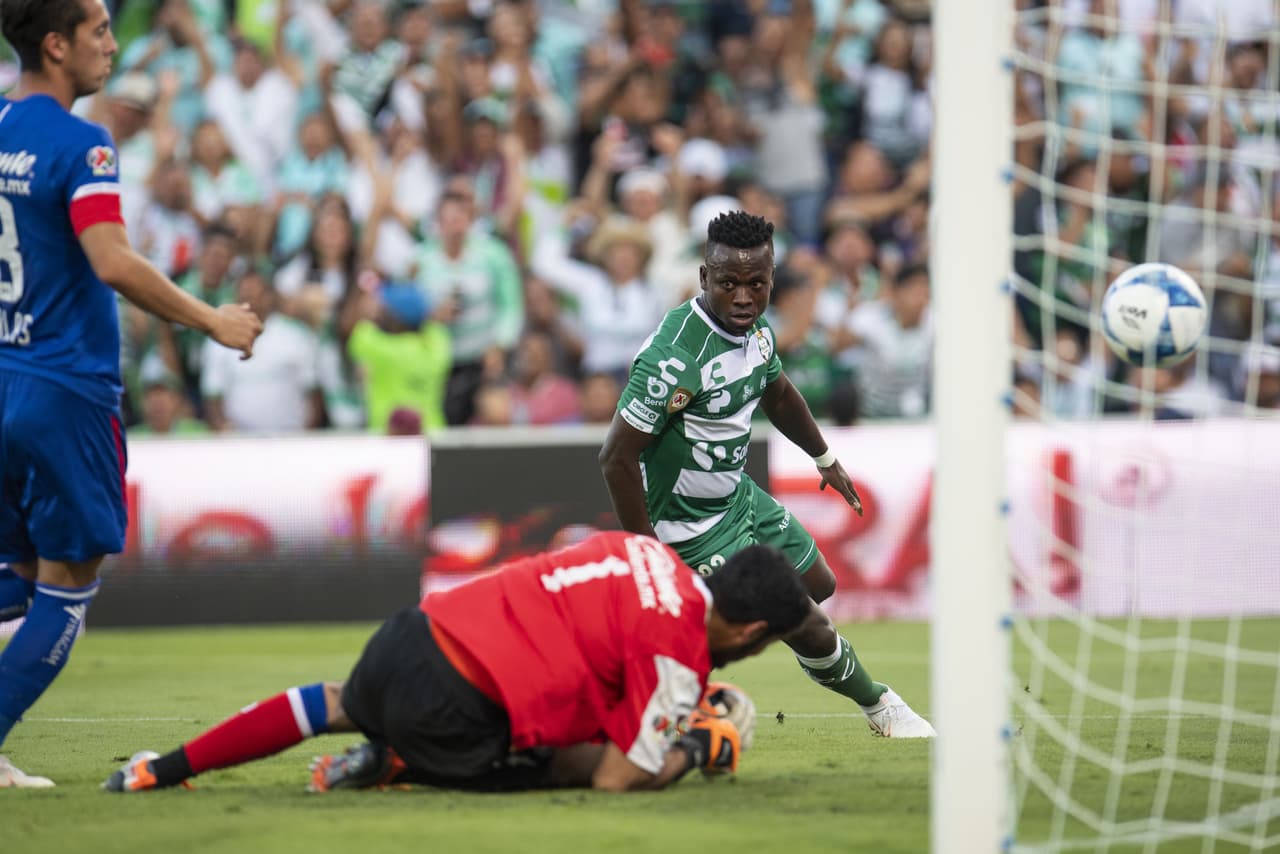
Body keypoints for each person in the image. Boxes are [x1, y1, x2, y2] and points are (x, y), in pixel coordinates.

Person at [0, 0, 262, 788]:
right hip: (64, 388)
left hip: (4, 375)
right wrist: (211, 318)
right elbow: (111, 260)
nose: (113, 46)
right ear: (56, 44)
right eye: (99, 32)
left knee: (15, 575)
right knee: (69, 582)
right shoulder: (83, 144)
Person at [103, 532, 810, 793]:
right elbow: (622, 778)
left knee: (335, 701)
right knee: (584, 763)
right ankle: (401, 760)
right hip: (458, 717)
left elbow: (607, 638)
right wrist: (694, 744)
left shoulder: (645, 550)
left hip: (411, 637)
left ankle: (156, 770)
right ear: (751, 630)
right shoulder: (677, 660)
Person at [599, 211, 935, 739]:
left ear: (771, 279)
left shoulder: (755, 331)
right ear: (704, 278)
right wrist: (649, 554)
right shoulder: (675, 359)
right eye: (728, 284)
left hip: (739, 500)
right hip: (687, 527)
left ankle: (681, 662)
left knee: (819, 585)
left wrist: (824, 458)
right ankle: (882, 707)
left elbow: (776, 392)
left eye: (756, 284)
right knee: (807, 623)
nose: (743, 297)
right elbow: (615, 457)